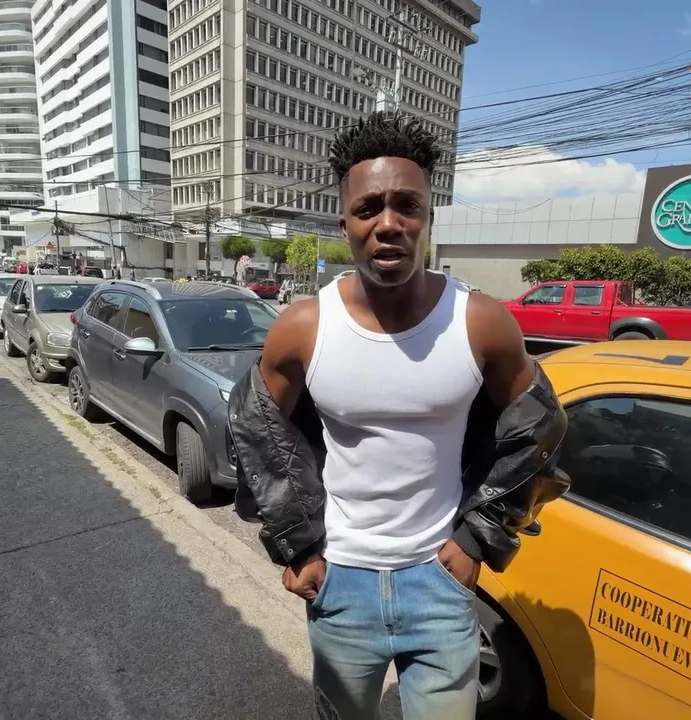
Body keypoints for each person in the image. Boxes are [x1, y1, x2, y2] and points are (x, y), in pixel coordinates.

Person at [226, 111, 569, 720]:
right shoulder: (304, 327)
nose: (389, 224)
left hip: (440, 580)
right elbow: (256, 431)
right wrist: (297, 546)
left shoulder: (480, 322)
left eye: (407, 206)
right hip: (340, 581)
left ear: (428, 217)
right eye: (369, 208)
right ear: (345, 223)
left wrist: (477, 538)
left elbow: (540, 427)